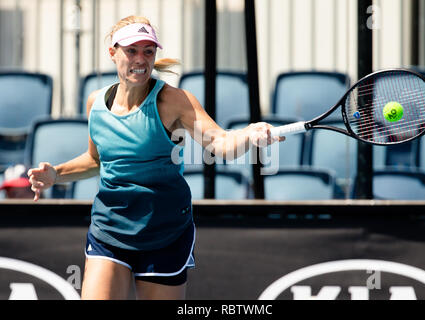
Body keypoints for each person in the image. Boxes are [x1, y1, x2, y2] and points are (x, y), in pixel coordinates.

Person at [27, 15, 283, 300]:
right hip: (109, 230)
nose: (141, 59)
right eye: (132, 50)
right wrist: (56, 174)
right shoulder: (96, 103)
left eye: (148, 51)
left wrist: (248, 134)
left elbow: (221, 143)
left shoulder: (173, 101)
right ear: (113, 53)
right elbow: (96, 160)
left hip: (165, 233)